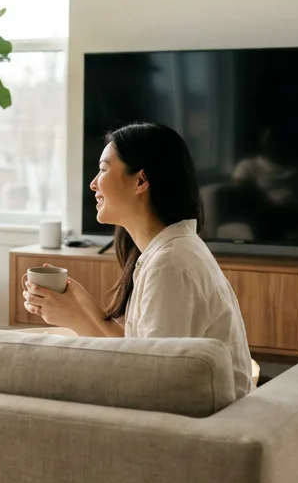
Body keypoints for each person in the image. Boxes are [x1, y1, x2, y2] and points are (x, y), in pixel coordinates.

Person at [22, 122, 254, 397]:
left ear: (141, 181)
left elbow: (148, 381)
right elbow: (137, 353)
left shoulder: (170, 265)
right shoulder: (166, 252)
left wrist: (75, 318)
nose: (93, 183)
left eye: (104, 169)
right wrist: (80, 303)